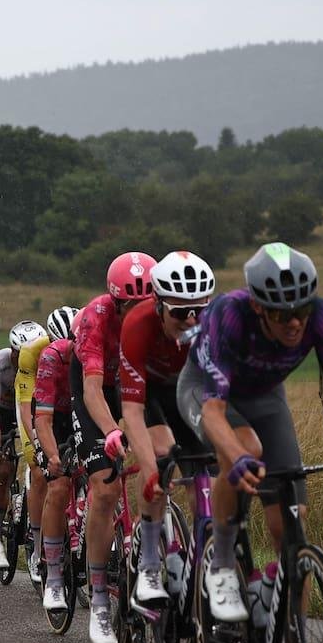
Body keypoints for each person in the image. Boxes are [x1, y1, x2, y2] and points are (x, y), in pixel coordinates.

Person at [178, 242, 323, 622]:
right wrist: (235, 457)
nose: (294, 322)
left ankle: (289, 630)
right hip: (205, 390)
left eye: (300, 310)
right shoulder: (229, 314)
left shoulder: (320, 316)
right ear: (257, 307)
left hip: (265, 396)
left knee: (291, 524)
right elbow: (215, 412)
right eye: (282, 315)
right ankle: (219, 564)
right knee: (245, 445)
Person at [116, 251, 215, 605]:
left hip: (189, 391)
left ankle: (203, 562)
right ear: (158, 304)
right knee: (157, 455)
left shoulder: (213, 327)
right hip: (150, 392)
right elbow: (132, 409)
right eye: (179, 312)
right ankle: (149, 565)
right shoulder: (137, 325)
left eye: (199, 311)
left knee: (209, 478)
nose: (191, 320)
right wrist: (148, 469)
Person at [71, 251, 157, 643]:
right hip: (94, 383)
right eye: (130, 307)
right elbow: (92, 392)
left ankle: (154, 549)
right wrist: (111, 432)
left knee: (164, 459)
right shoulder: (95, 317)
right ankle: (100, 596)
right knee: (104, 486)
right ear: (115, 301)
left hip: (131, 378)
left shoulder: (161, 316)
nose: (139, 312)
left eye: (147, 304)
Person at [0, 319, 46, 570]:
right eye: (21, 353)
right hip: (5, 414)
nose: (28, 356)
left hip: (36, 411)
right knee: (4, 469)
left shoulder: (45, 360)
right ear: (13, 352)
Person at [33, 306, 81, 612]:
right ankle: (52, 576)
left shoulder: (95, 353)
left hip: (81, 413)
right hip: (53, 419)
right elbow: (42, 419)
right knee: (59, 484)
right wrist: (51, 456)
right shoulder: (51, 357)